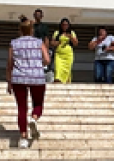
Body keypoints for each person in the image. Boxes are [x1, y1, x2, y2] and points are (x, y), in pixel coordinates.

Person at [8, 16, 50, 148]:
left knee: (21, 108)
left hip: (18, 77)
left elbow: (10, 63)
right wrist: (39, 63)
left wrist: (8, 81)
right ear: (32, 30)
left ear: (20, 30)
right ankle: (34, 118)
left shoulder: (14, 43)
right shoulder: (39, 42)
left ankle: (23, 137)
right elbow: (47, 60)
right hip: (37, 76)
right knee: (38, 103)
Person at [50, 18, 77, 84]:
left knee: (67, 71)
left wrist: (70, 37)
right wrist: (57, 42)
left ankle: (65, 84)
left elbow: (76, 43)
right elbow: (52, 42)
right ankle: (58, 82)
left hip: (68, 55)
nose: (65, 26)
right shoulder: (57, 33)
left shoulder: (72, 33)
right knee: (58, 70)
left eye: (66, 25)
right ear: (61, 25)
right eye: (63, 25)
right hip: (59, 55)